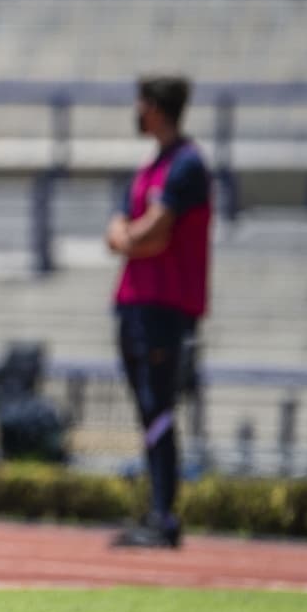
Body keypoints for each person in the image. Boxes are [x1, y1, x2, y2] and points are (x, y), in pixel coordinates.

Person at [106, 75, 212, 549]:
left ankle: (164, 515)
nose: (135, 108)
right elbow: (123, 229)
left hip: (165, 306)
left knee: (159, 409)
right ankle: (155, 511)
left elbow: (153, 233)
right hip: (134, 303)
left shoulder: (187, 165)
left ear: (156, 108)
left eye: (141, 102)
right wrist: (131, 236)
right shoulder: (154, 163)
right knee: (147, 410)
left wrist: (129, 237)